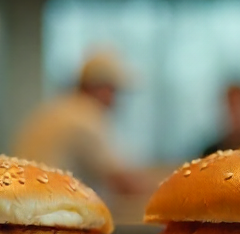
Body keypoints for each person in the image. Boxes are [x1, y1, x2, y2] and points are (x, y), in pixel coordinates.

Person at [13, 52, 150, 195]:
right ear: (100, 88)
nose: (115, 101)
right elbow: (124, 183)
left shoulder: (57, 108)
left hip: (28, 199)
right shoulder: (86, 115)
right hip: (51, 202)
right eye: (114, 91)